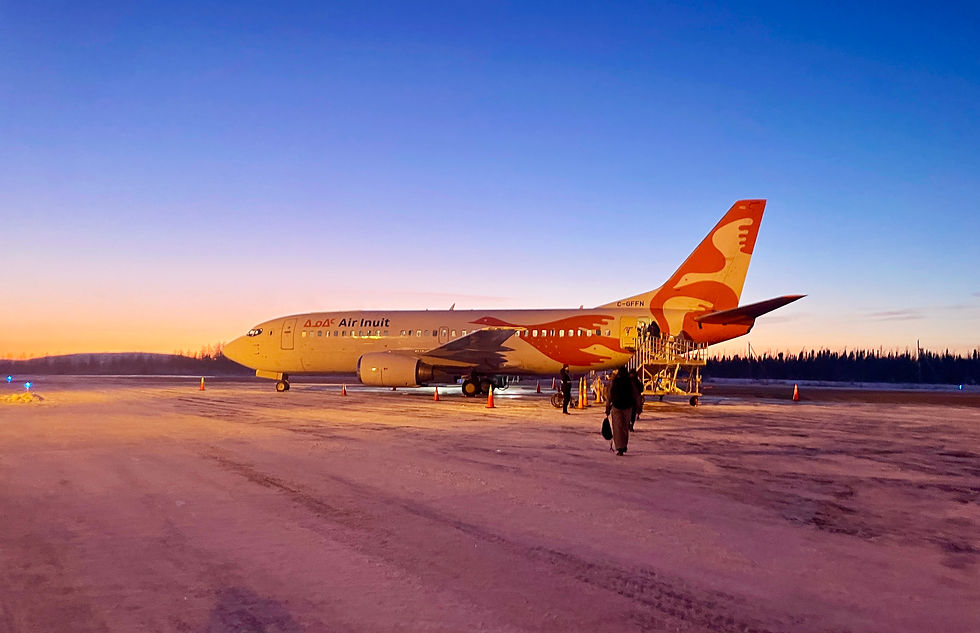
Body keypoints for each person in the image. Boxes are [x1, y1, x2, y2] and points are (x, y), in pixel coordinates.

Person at [605, 366, 641, 455]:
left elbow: (609, 395)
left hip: (617, 406)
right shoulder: (630, 382)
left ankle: (619, 447)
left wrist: (607, 407)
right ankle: (624, 445)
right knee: (625, 427)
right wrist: (638, 406)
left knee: (617, 428)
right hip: (628, 406)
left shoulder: (615, 381)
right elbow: (636, 395)